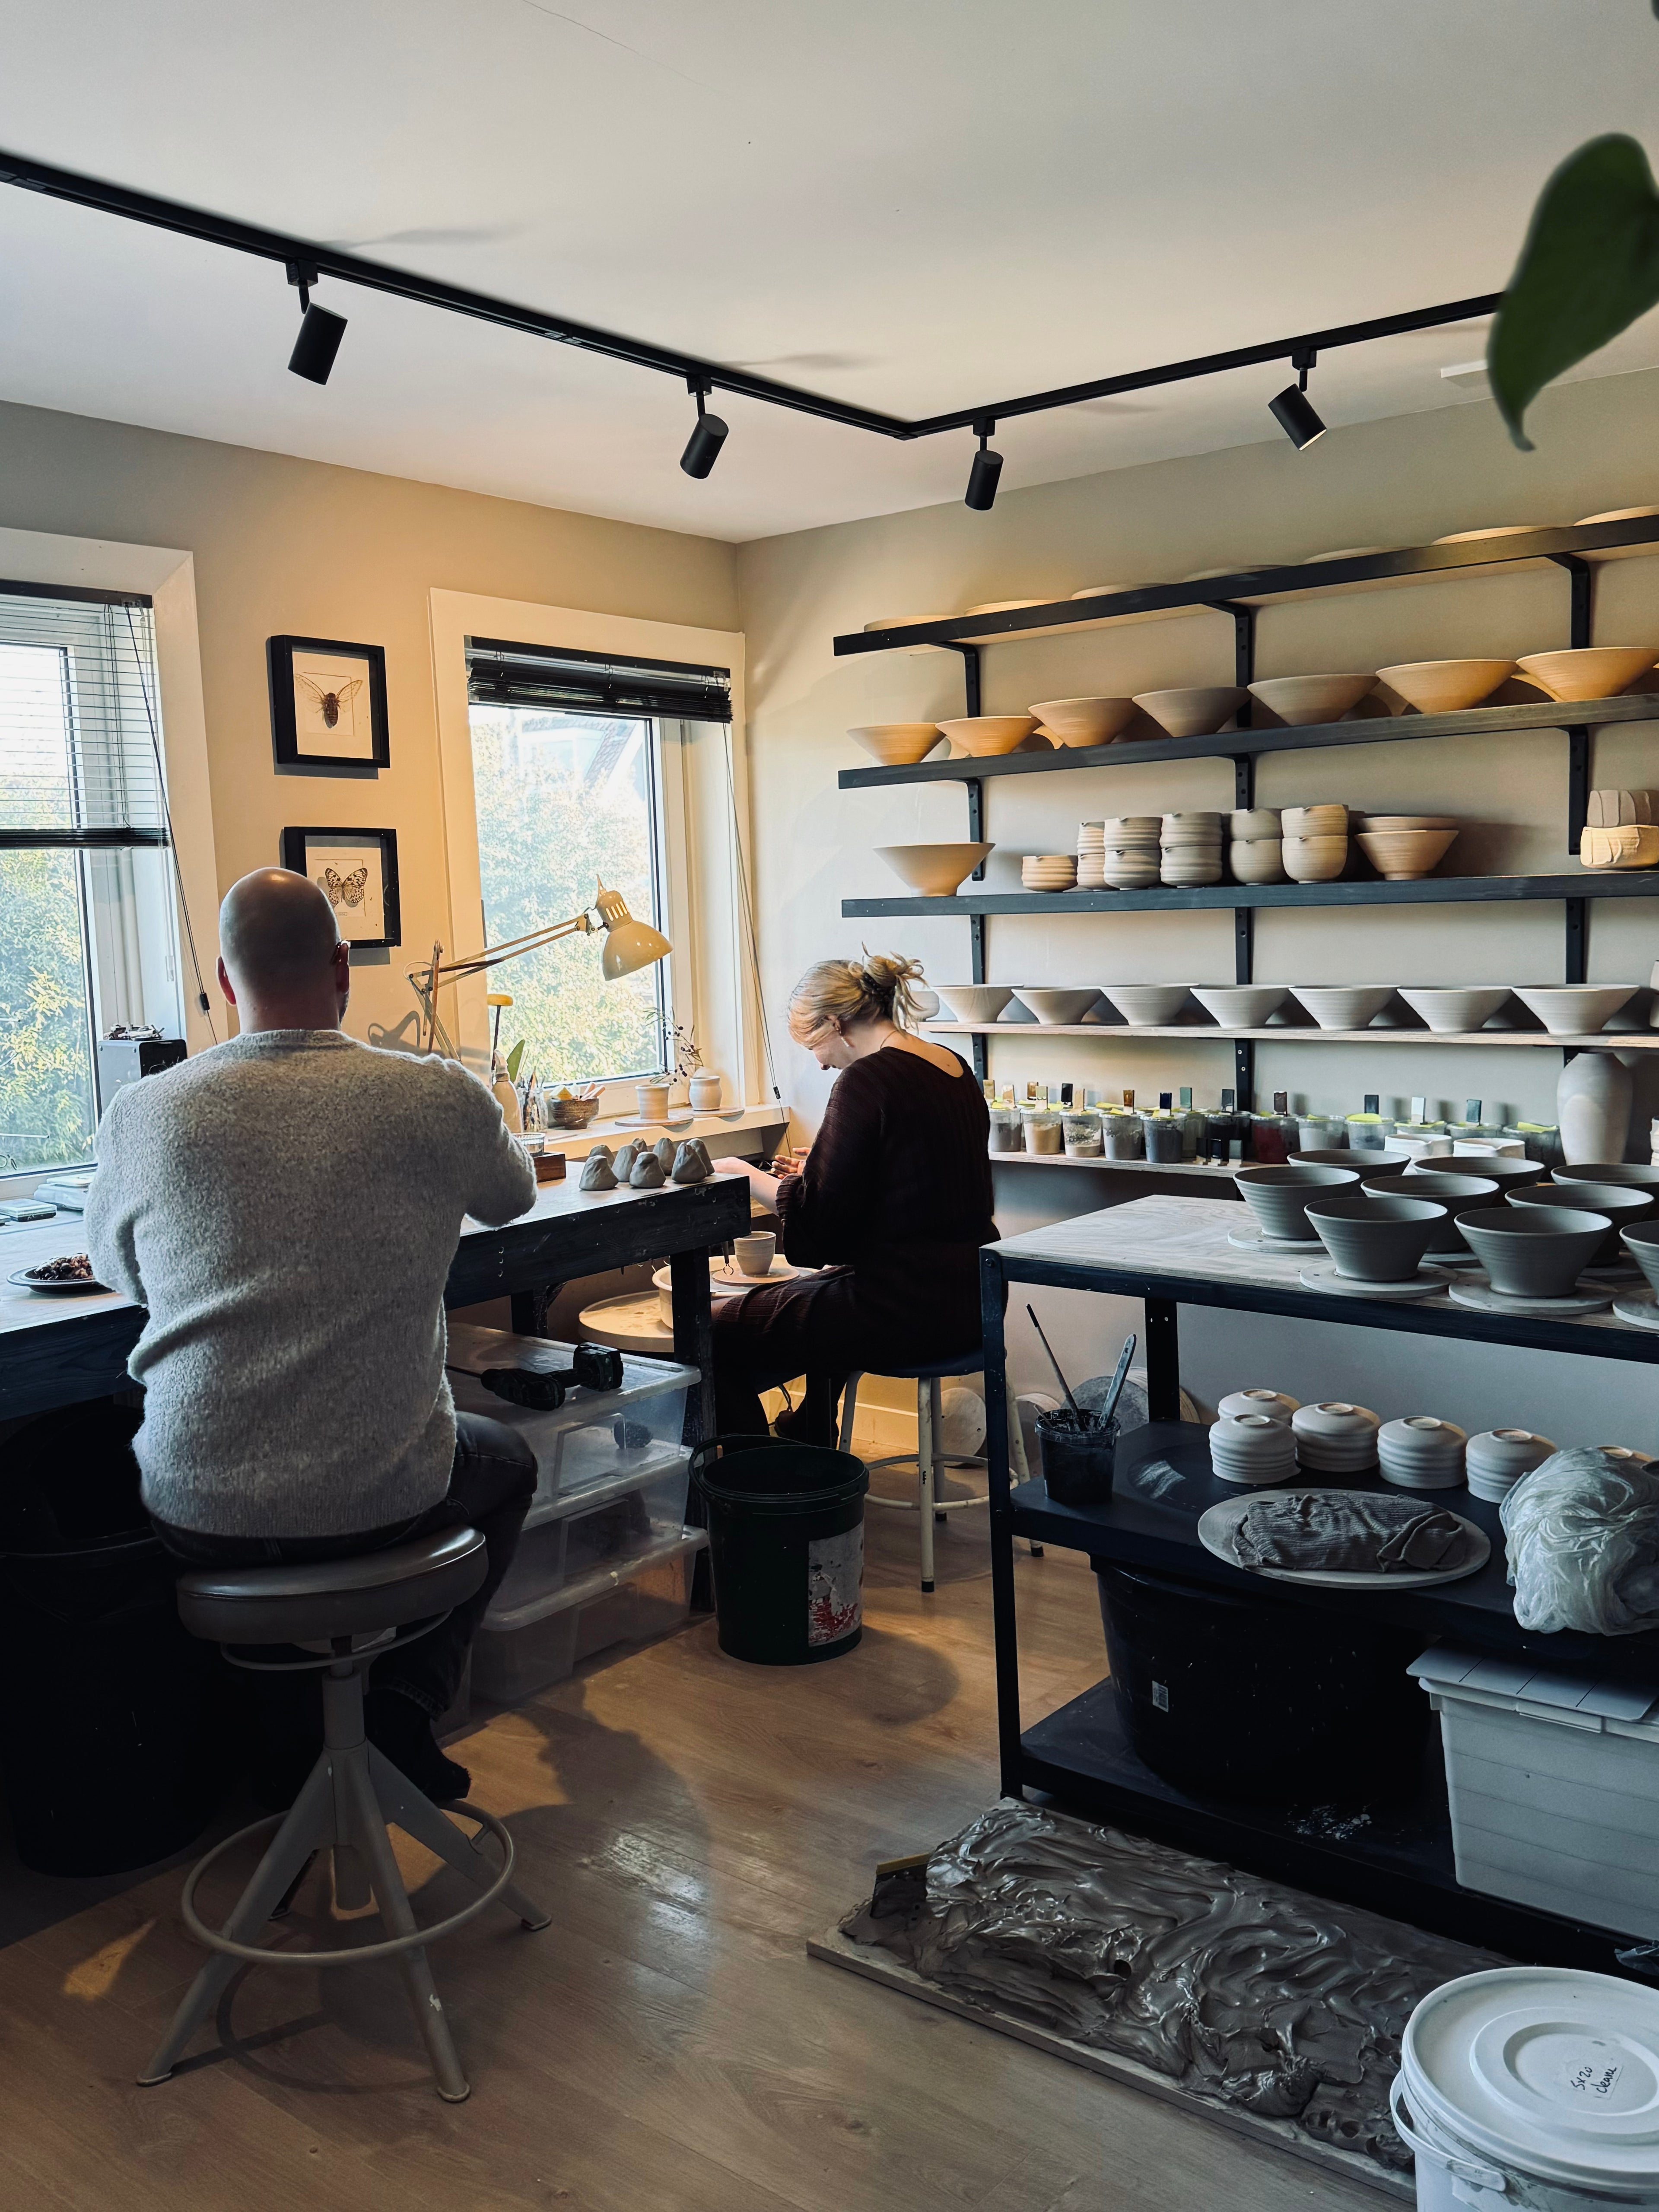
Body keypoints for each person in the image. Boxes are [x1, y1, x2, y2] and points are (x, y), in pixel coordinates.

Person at [86, 868, 539, 1804]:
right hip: (385, 1499)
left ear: (220, 977)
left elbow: (119, 1271)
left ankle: (292, 1759)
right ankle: (401, 1714)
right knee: (504, 1461)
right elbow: (514, 1197)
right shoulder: (432, 1094)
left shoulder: (145, 1111)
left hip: (199, 1510)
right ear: (343, 965)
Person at [709, 953, 995, 1438]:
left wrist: (740, 1171)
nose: (819, 1063)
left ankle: (760, 1489)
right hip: (975, 1294)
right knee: (814, 1292)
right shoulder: (952, 1066)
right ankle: (811, 1429)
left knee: (715, 1329)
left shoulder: (866, 1079)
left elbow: (819, 1229)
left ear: (836, 1023)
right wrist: (823, 1169)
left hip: (907, 1309)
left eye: (814, 1045)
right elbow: (920, 1182)